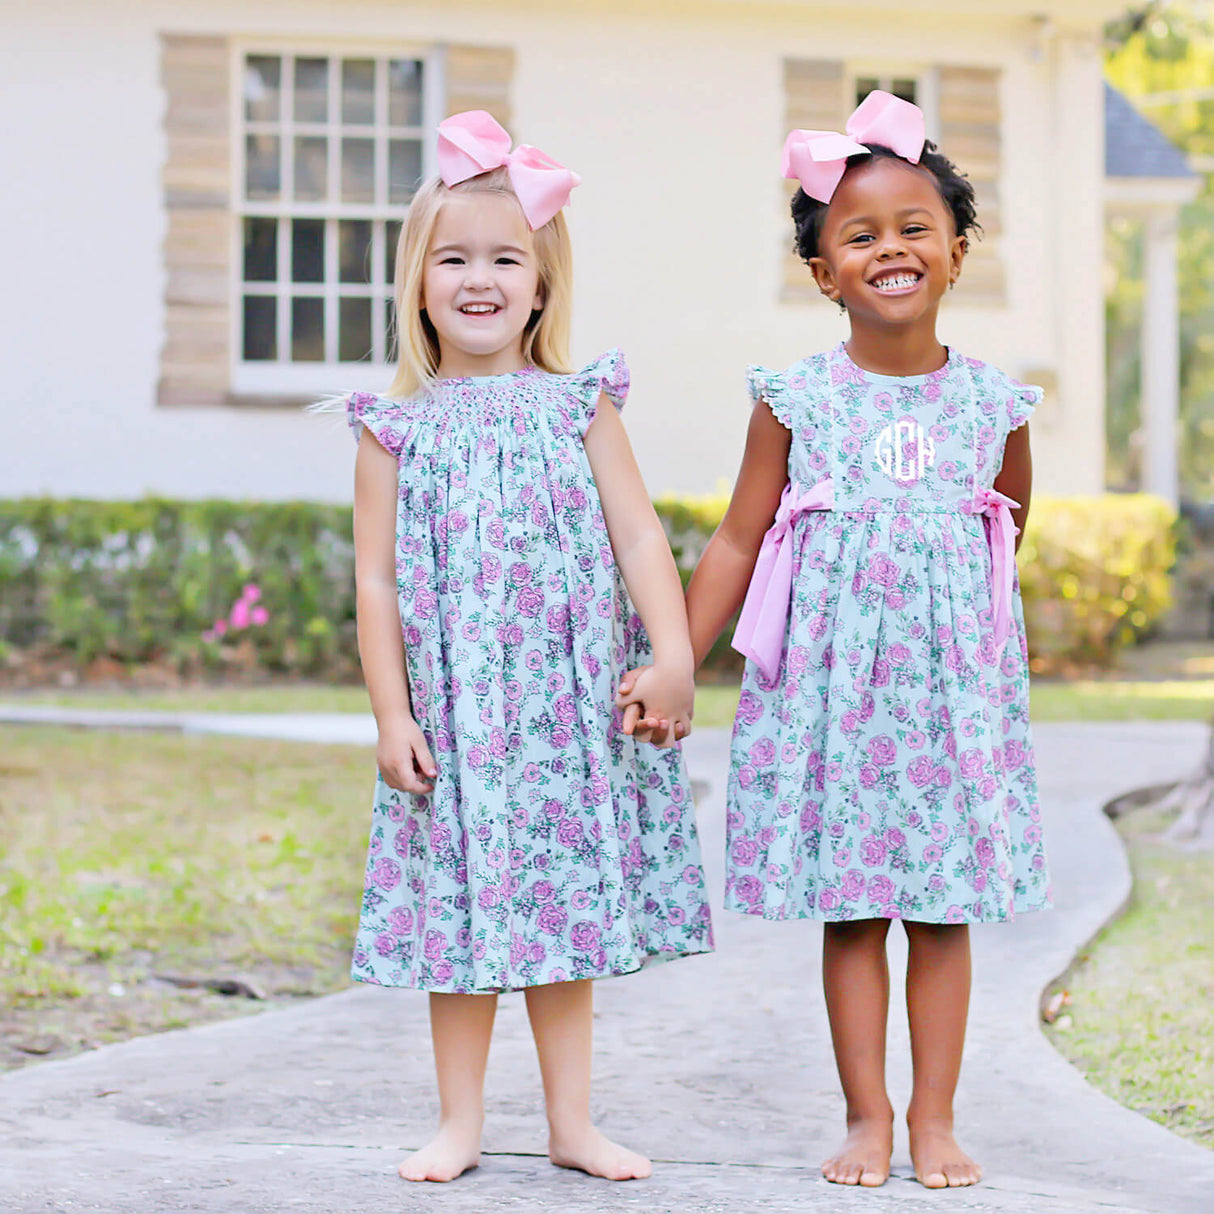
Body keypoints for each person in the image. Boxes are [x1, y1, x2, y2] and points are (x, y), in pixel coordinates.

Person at [681, 92, 1050, 1189]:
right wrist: (674, 658)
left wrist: (955, 649)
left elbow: (1003, 533)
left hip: (949, 703)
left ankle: (934, 1117)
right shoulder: (794, 400)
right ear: (823, 272)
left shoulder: (995, 406)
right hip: (831, 699)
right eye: (859, 235)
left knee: (940, 914)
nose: (889, 248)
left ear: (956, 251)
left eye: (912, 227)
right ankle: (866, 1117)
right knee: (851, 914)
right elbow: (738, 537)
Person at [341, 111, 712, 1185]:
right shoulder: (392, 429)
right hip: (456, 714)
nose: (479, 279)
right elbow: (374, 581)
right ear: (417, 283)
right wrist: (393, 714)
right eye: (451, 258)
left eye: (505, 258)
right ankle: (458, 1122)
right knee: (457, 920)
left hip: (563, 710)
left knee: (562, 916)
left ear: (542, 283)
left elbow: (638, 535)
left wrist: (673, 654)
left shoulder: (579, 406)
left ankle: (571, 1122)